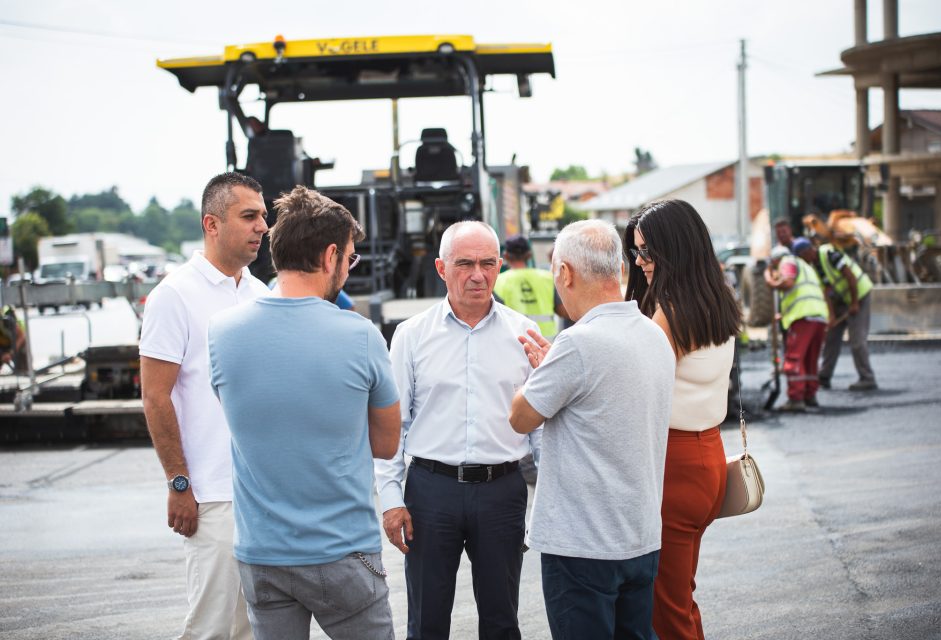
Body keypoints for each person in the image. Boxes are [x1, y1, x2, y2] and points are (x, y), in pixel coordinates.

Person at [208, 186, 401, 639]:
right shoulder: (360, 335)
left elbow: (248, 418)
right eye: (350, 259)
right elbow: (387, 443)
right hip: (341, 551)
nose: (348, 271)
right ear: (330, 255)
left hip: (261, 554)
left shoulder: (222, 332)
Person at [509, 220, 674, 640]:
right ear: (619, 268)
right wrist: (557, 371)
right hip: (639, 537)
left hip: (582, 545)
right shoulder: (653, 335)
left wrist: (543, 373)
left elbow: (521, 417)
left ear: (565, 272)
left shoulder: (578, 344)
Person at [375, 221, 541, 640]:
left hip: (503, 489)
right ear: (441, 268)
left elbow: (540, 427)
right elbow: (394, 426)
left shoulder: (525, 334)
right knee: (427, 622)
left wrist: (549, 497)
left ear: (501, 266)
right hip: (432, 491)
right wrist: (392, 499)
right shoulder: (411, 336)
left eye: (488, 263)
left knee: (502, 622)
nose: (478, 275)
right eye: (465, 263)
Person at [140, 172, 269, 640]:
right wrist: (179, 483)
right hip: (211, 496)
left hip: (264, 495)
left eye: (264, 217)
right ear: (211, 224)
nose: (262, 228)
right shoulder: (173, 296)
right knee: (212, 629)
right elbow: (155, 396)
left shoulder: (261, 295)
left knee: (257, 629)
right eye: (249, 216)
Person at [623, 199, 742, 640]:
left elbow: (636, 392)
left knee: (666, 608)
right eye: (636, 252)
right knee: (679, 597)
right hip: (709, 455)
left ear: (674, 250)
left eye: (647, 252)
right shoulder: (717, 299)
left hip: (674, 463)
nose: (640, 262)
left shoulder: (668, 314)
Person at [792, 237, 877, 391]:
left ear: (807, 251)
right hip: (842, 300)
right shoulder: (814, 267)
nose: (801, 261)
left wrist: (854, 303)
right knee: (831, 337)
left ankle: (867, 378)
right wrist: (831, 316)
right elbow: (826, 292)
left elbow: (850, 277)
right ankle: (824, 376)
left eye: (801, 257)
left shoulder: (829, 254)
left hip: (859, 295)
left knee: (857, 339)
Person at [764, 244, 829, 412]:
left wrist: (771, 282)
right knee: (810, 359)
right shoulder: (807, 267)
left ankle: (796, 398)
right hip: (818, 316)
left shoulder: (787, 261)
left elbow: (788, 282)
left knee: (794, 359)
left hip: (802, 317)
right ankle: (810, 395)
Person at [494, 233, 558, 339]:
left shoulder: (498, 281)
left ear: (505, 255)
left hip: (515, 342)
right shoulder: (548, 278)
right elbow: (563, 311)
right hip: (547, 344)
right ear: (529, 255)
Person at [0, 304, 27, 373]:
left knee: (22, 369)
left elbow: (21, 336)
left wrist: (10, 353)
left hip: (15, 344)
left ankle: (23, 370)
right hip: (3, 346)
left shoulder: (7, 322)